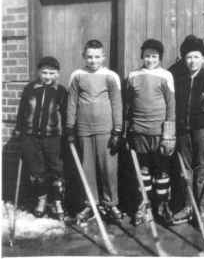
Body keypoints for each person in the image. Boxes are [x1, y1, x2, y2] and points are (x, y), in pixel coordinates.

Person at [66, 39, 123, 223]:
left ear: (103, 57)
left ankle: (110, 203)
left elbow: (117, 103)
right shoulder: (77, 76)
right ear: (84, 56)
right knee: (86, 168)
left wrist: (117, 129)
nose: (93, 60)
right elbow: (72, 102)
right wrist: (69, 126)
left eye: (97, 56)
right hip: (83, 129)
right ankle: (90, 204)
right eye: (89, 57)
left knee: (108, 168)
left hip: (106, 129)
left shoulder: (110, 76)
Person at [125, 39, 176, 225]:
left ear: (160, 58)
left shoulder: (166, 76)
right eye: (147, 55)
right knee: (143, 169)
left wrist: (169, 134)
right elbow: (128, 105)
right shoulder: (133, 75)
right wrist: (127, 129)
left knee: (162, 170)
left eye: (154, 56)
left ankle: (162, 204)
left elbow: (171, 106)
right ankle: (143, 205)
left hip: (159, 131)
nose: (150, 59)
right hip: (139, 131)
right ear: (142, 56)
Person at [14, 56, 67, 220]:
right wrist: (18, 129)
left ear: (57, 74)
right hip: (30, 137)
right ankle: (41, 200)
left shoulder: (60, 91)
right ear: (39, 72)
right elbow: (22, 111)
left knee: (56, 170)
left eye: (51, 73)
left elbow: (65, 114)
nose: (48, 76)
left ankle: (57, 201)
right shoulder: (30, 88)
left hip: (52, 137)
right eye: (44, 72)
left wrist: (68, 132)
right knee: (37, 171)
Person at [170, 35, 204, 225]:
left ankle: (202, 208)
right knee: (184, 169)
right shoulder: (177, 79)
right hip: (182, 130)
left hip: (203, 131)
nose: (192, 61)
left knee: (203, 168)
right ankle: (188, 206)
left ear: (203, 58)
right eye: (189, 57)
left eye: (196, 57)